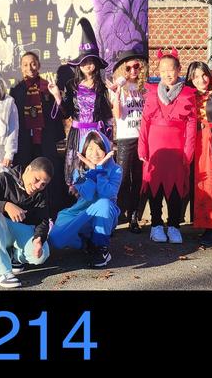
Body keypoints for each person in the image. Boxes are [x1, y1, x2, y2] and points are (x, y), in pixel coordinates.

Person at [139, 50, 197, 244]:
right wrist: (142, 148)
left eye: (171, 69)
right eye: (162, 70)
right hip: (155, 147)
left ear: (179, 69)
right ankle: (156, 224)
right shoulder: (152, 93)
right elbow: (144, 122)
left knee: (175, 188)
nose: (167, 74)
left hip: (177, 147)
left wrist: (188, 152)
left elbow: (191, 125)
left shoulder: (187, 94)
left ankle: (173, 225)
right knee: (154, 185)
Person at [48, 19, 114, 188]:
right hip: (78, 135)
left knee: (97, 169)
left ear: (96, 64)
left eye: (90, 61)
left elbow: (108, 114)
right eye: (83, 61)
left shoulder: (103, 86)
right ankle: (79, 200)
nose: (87, 65)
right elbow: (66, 113)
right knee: (78, 171)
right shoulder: (71, 85)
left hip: (97, 134)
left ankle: (97, 199)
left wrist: (109, 137)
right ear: (79, 65)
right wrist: (57, 96)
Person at [0, 157, 54, 288]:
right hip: (0, 228)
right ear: (28, 169)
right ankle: (1, 272)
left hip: (21, 230)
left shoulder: (42, 192)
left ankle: (15, 257)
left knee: (42, 254)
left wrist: (39, 238)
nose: (38, 186)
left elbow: (43, 220)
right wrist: (5, 206)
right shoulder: (4, 178)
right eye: (36, 179)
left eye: (43, 184)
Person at [49, 130, 121, 268]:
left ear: (106, 149)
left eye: (99, 148)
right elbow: (88, 195)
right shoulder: (78, 171)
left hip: (104, 216)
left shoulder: (116, 169)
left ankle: (101, 248)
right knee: (56, 239)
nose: (95, 153)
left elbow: (107, 195)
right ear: (84, 151)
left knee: (104, 204)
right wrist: (93, 171)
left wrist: (99, 171)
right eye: (90, 149)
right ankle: (86, 244)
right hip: (82, 213)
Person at [10, 51, 66, 216]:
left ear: (39, 65)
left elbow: (60, 114)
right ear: (21, 68)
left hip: (45, 139)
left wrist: (56, 97)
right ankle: (27, 211)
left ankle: (52, 212)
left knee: (49, 175)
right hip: (25, 141)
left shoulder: (47, 87)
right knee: (28, 176)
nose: (30, 68)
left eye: (33, 63)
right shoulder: (16, 91)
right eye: (26, 65)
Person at [109, 45, 147, 233]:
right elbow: (118, 115)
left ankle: (134, 216)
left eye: (136, 66)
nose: (133, 70)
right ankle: (115, 216)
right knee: (122, 179)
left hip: (142, 138)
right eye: (128, 68)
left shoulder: (145, 88)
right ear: (122, 69)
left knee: (138, 179)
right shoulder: (119, 87)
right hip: (125, 138)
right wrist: (117, 93)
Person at [185, 61, 212, 244]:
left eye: (204, 75)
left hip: (210, 140)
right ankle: (201, 222)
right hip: (194, 141)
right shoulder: (187, 96)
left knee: (210, 182)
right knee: (198, 182)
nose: (201, 80)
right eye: (196, 77)